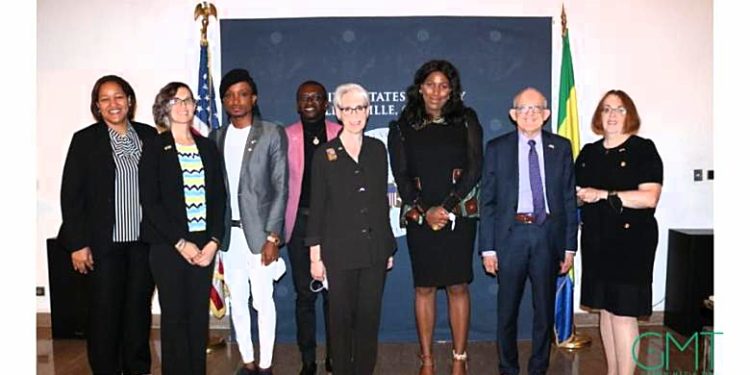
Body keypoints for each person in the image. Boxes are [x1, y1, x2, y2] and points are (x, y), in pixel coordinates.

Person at [387, 59, 482, 375]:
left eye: (444, 85)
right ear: (419, 88)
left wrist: (449, 206)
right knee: (424, 288)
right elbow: (401, 176)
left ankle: (459, 359)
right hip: (420, 218)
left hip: (458, 217)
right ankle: (426, 360)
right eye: (430, 84)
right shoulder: (401, 127)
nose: (436, 91)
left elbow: (474, 168)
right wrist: (425, 211)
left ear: (453, 89)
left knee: (458, 286)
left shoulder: (467, 120)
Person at [59, 74, 157, 375]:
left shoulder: (149, 135)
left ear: (129, 101)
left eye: (119, 97)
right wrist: (77, 243)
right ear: (97, 107)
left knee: (138, 315)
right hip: (104, 246)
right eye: (105, 99)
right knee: (104, 319)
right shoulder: (85, 140)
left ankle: (137, 369)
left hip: (143, 244)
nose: (113, 104)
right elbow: (71, 195)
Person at [479, 87, 577, 375]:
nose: (530, 114)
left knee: (544, 312)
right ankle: (508, 368)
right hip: (511, 238)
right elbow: (488, 202)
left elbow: (570, 199)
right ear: (513, 115)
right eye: (524, 109)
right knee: (507, 311)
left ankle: (538, 368)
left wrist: (570, 247)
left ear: (546, 115)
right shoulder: (497, 148)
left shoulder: (561, 147)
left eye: (537, 109)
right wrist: (488, 248)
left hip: (548, 237)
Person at [306, 83, 395, 375]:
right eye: (348, 108)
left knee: (369, 320)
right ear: (337, 112)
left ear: (368, 111)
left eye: (360, 108)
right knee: (341, 322)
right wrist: (315, 257)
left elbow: (381, 201)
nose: (354, 114)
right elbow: (317, 208)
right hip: (338, 252)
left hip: (375, 251)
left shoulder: (377, 149)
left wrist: (387, 245)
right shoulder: (325, 154)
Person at [138, 81, 226, 375]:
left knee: (197, 319)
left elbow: (219, 198)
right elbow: (150, 203)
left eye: (188, 100)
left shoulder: (207, 147)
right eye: (176, 100)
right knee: (174, 319)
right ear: (164, 108)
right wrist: (180, 243)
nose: (184, 105)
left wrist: (213, 241)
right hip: (168, 248)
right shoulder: (154, 147)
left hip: (204, 248)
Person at [575, 90, 663, 375]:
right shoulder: (589, 153)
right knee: (606, 310)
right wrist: (578, 197)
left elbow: (648, 198)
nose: (612, 115)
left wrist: (602, 194)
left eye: (620, 109)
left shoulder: (643, 149)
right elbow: (574, 193)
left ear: (630, 115)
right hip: (596, 239)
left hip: (631, 242)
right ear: (599, 116)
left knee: (624, 313)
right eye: (606, 109)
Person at [211, 68, 288, 375]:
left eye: (243, 94)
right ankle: (247, 360)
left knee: (263, 301)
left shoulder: (271, 133)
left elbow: (280, 186)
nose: (236, 100)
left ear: (253, 98)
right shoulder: (216, 137)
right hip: (228, 238)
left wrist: (272, 236)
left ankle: (266, 364)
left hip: (259, 236)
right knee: (238, 301)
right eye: (229, 95)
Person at [284, 80, 340, 375]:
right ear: (297, 104)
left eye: (316, 98)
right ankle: (308, 360)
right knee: (305, 295)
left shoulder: (339, 133)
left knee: (334, 296)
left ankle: (334, 356)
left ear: (326, 104)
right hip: (300, 224)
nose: (310, 102)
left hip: (333, 225)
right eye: (304, 98)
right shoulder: (287, 136)